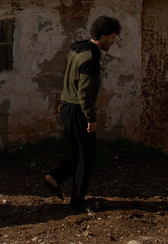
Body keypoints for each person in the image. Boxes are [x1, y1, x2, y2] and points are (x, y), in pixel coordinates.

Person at [44, 15, 121, 211]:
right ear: (103, 37)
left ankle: (55, 177)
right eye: (112, 37)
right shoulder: (91, 57)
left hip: (69, 107)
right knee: (86, 157)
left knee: (80, 153)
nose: (113, 42)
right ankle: (77, 200)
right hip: (79, 109)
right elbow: (84, 91)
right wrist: (90, 118)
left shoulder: (78, 49)